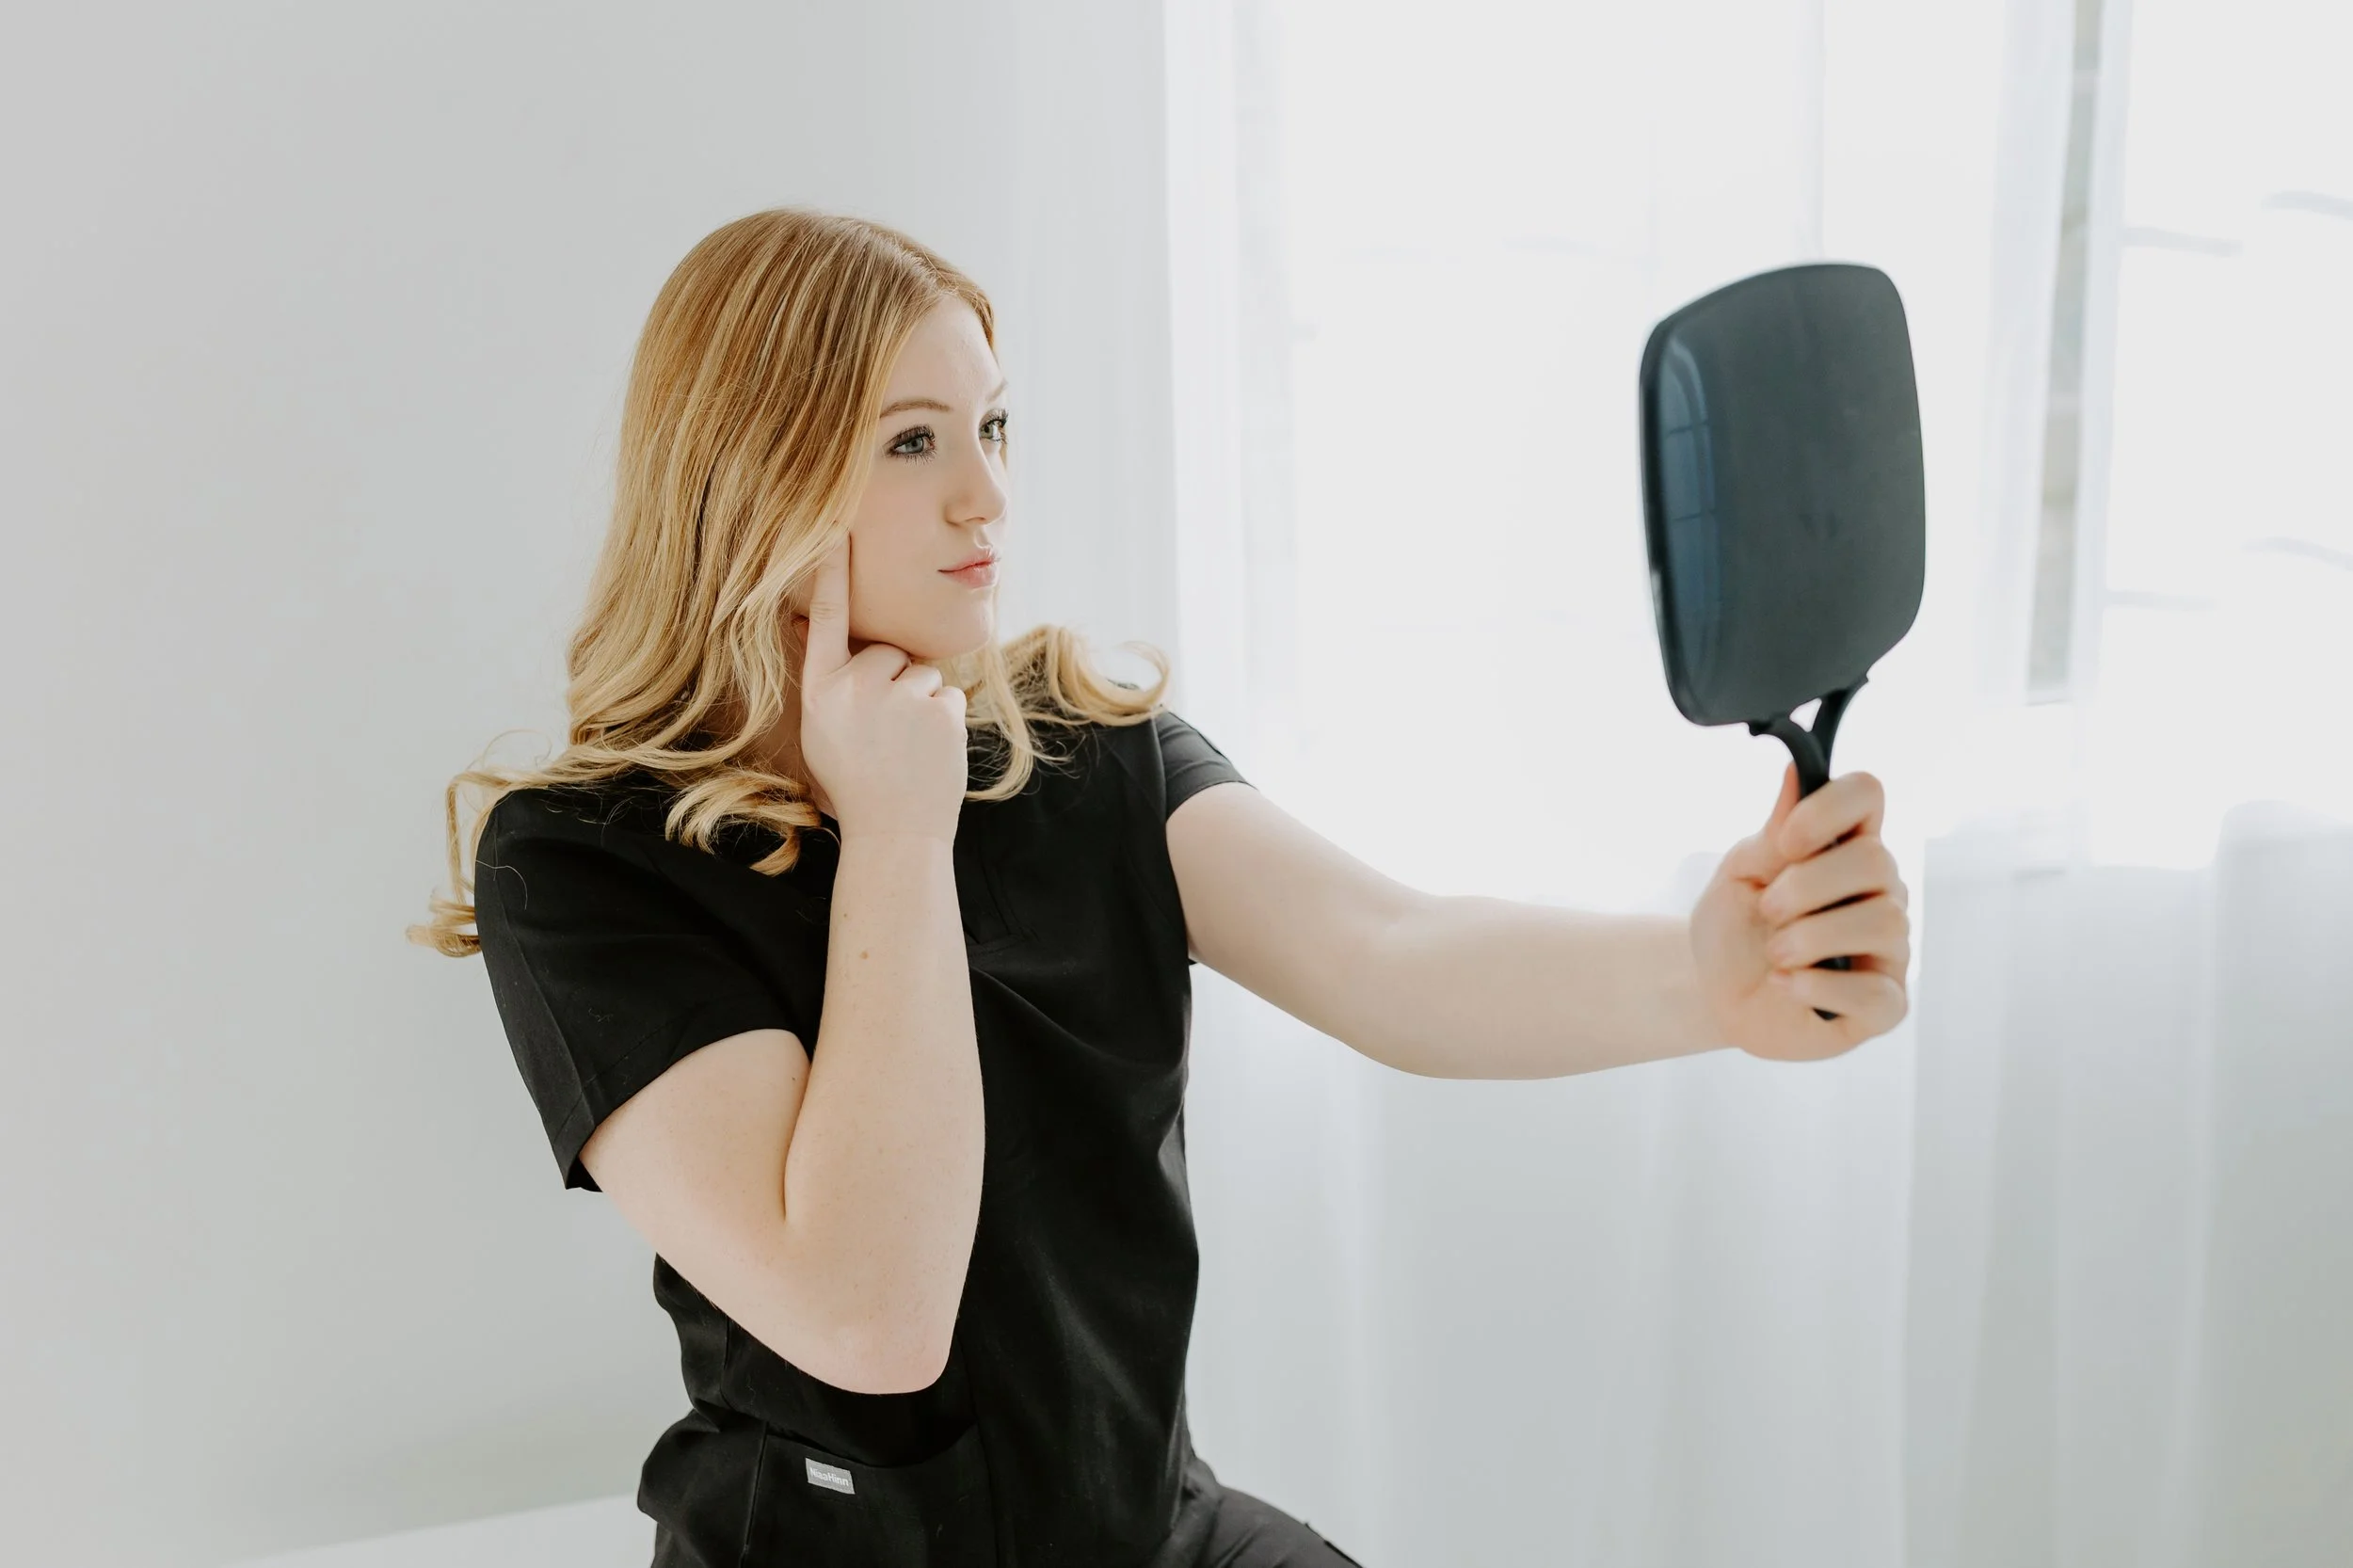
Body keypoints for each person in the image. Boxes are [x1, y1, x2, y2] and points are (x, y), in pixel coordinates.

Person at [410, 206, 1911, 1567]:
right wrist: (900, 836)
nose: (986, 494)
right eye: (915, 441)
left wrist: (1710, 979)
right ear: (756, 474)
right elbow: (870, 1313)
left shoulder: (1084, 747)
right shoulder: (584, 861)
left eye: (995, 424)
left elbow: (1390, 947)